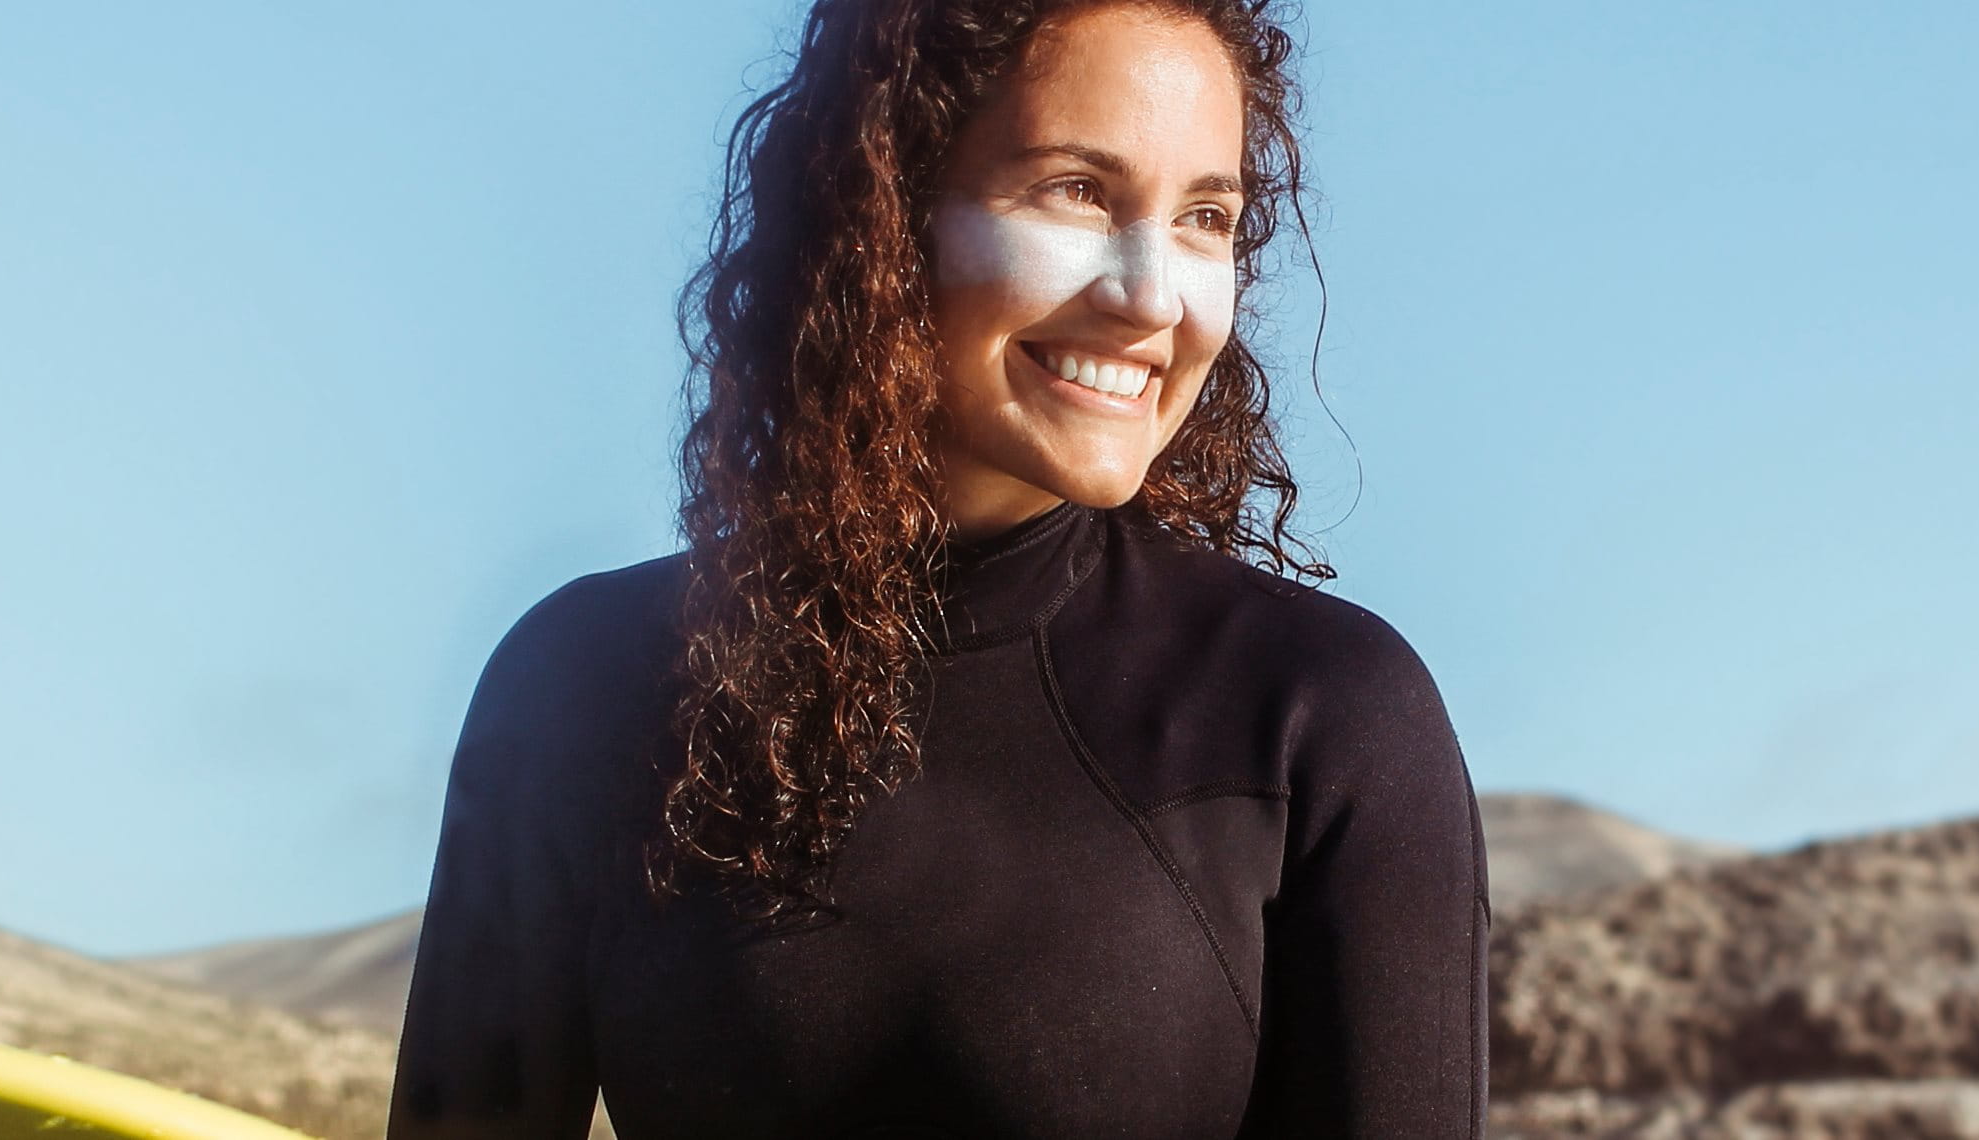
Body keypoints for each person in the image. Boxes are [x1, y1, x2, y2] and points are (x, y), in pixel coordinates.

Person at [384, 0, 1482, 1136]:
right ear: (884, 208)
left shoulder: (1324, 717)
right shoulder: (585, 682)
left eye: (1206, 217)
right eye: (1078, 191)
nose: (1153, 297)